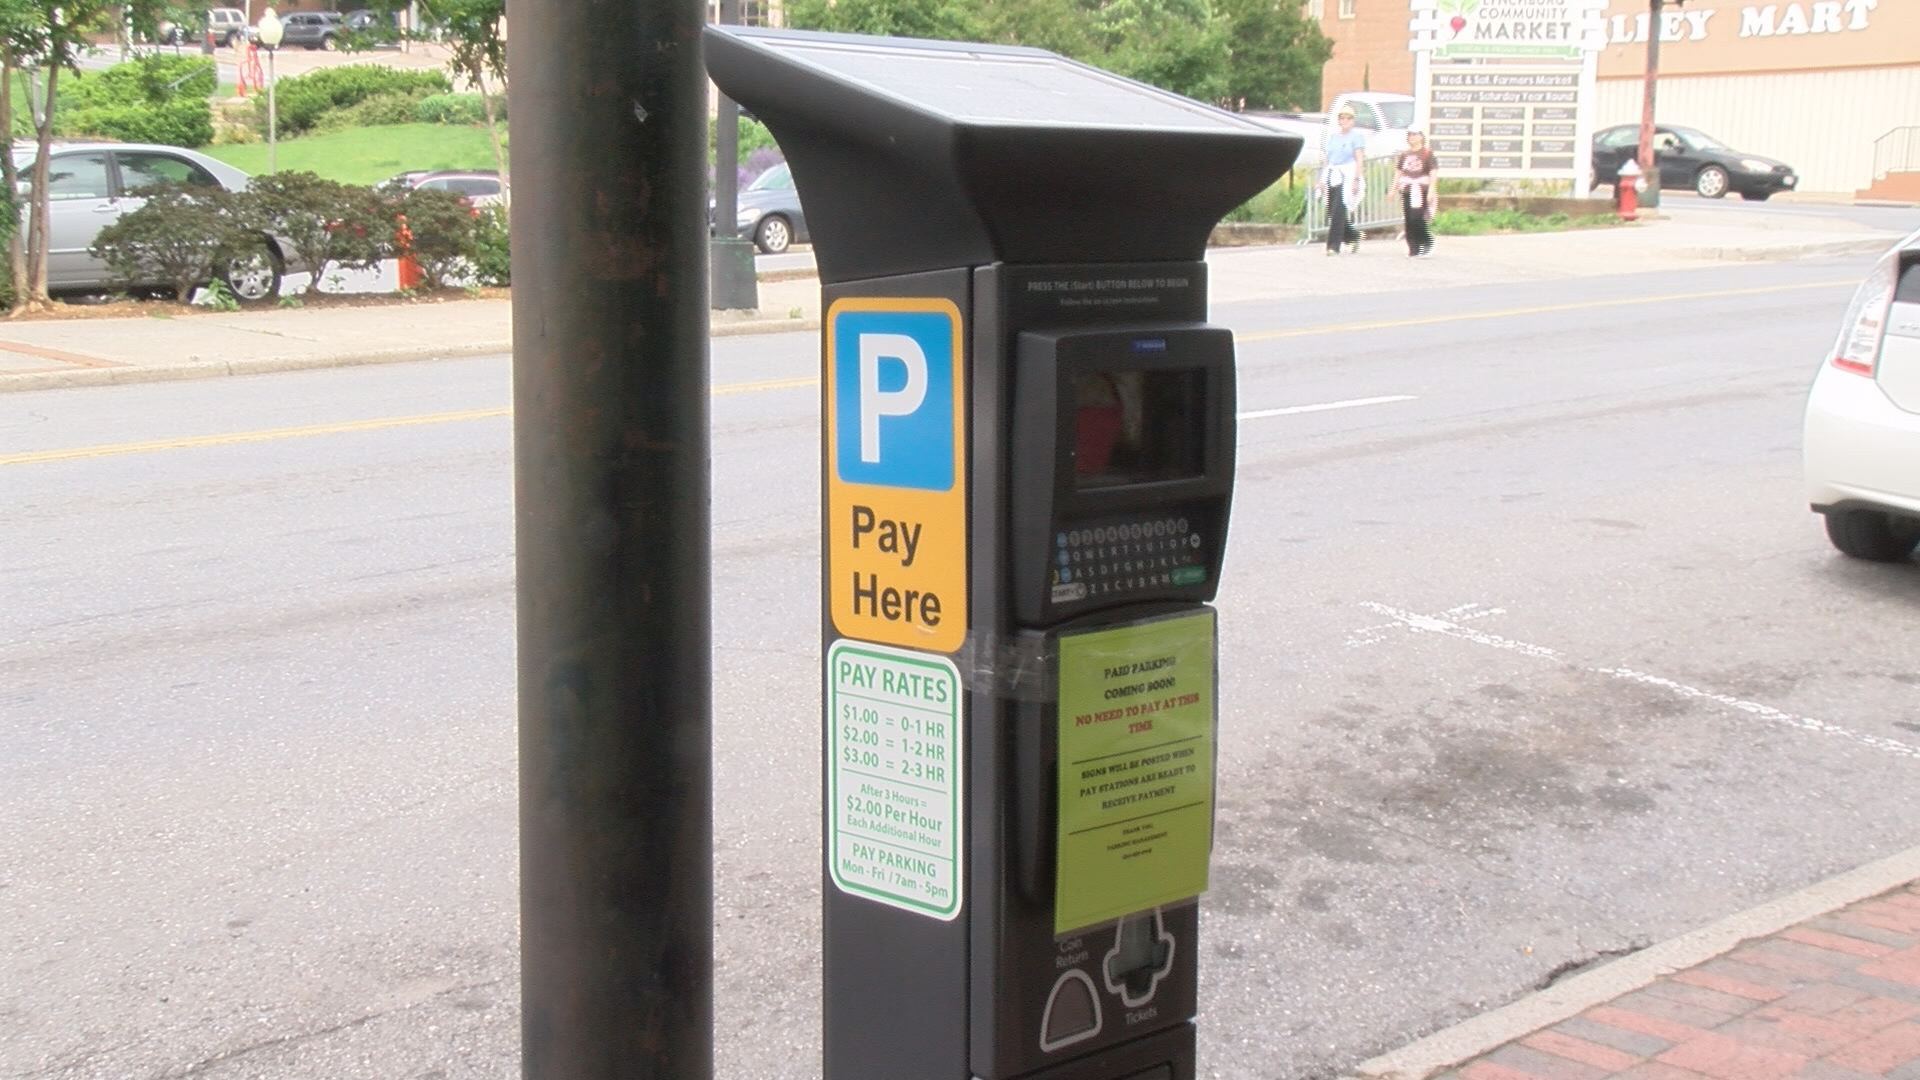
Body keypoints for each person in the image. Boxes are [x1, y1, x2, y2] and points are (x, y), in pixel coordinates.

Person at [1322, 107, 1367, 256]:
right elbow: (1328, 159)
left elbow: (1359, 159)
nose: (1345, 121)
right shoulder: (1334, 137)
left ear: (1352, 121)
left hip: (1347, 174)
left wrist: (1356, 179)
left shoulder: (1356, 137)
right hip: (1334, 173)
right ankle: (1352, 236)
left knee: (1339, 210)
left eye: (1348, 118)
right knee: (1331, 209)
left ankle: (1333, 246)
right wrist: (1322, 179)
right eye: (1342, 118)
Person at [1395, 131, 1437, 258]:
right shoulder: (1405, 154)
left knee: (1417, 217)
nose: (1412, 138)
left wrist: (1431, 190)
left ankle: (1426, 241)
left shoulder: (1427, 154)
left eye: (1415, 135)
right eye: (1410, 135)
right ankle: (1413, 248)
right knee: (1408, 219)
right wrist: (1393, 189)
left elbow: (1433, 173)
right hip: (1407, 189)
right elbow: (1399, 172)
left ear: (1421, 137)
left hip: (1421, 188)